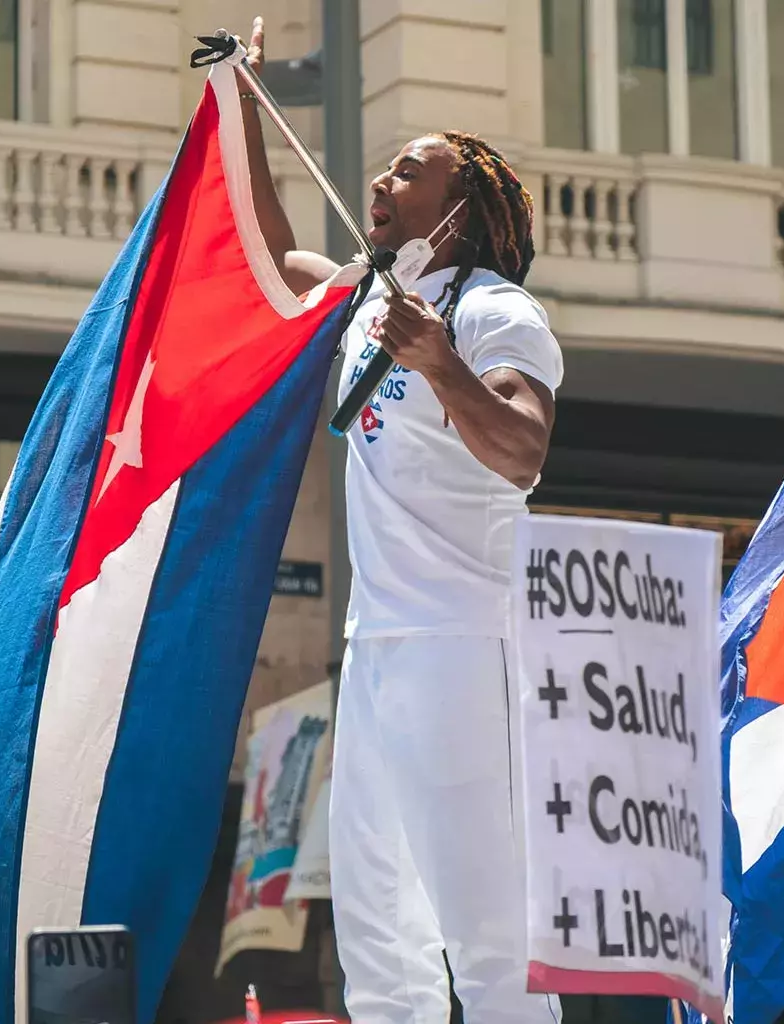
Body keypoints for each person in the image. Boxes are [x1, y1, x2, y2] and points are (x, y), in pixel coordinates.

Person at [237, 19, 564, 1024]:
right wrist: (241, 107)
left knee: (485, 929)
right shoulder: (373, 304)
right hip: (376, 651)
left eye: (407, 173)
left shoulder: (496, 311)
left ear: (460, 205)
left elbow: (522, 451)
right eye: (381, 172)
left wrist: (443, 363)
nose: (382, 184)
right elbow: (271, 255)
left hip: (464, 647)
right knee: (377, 936)